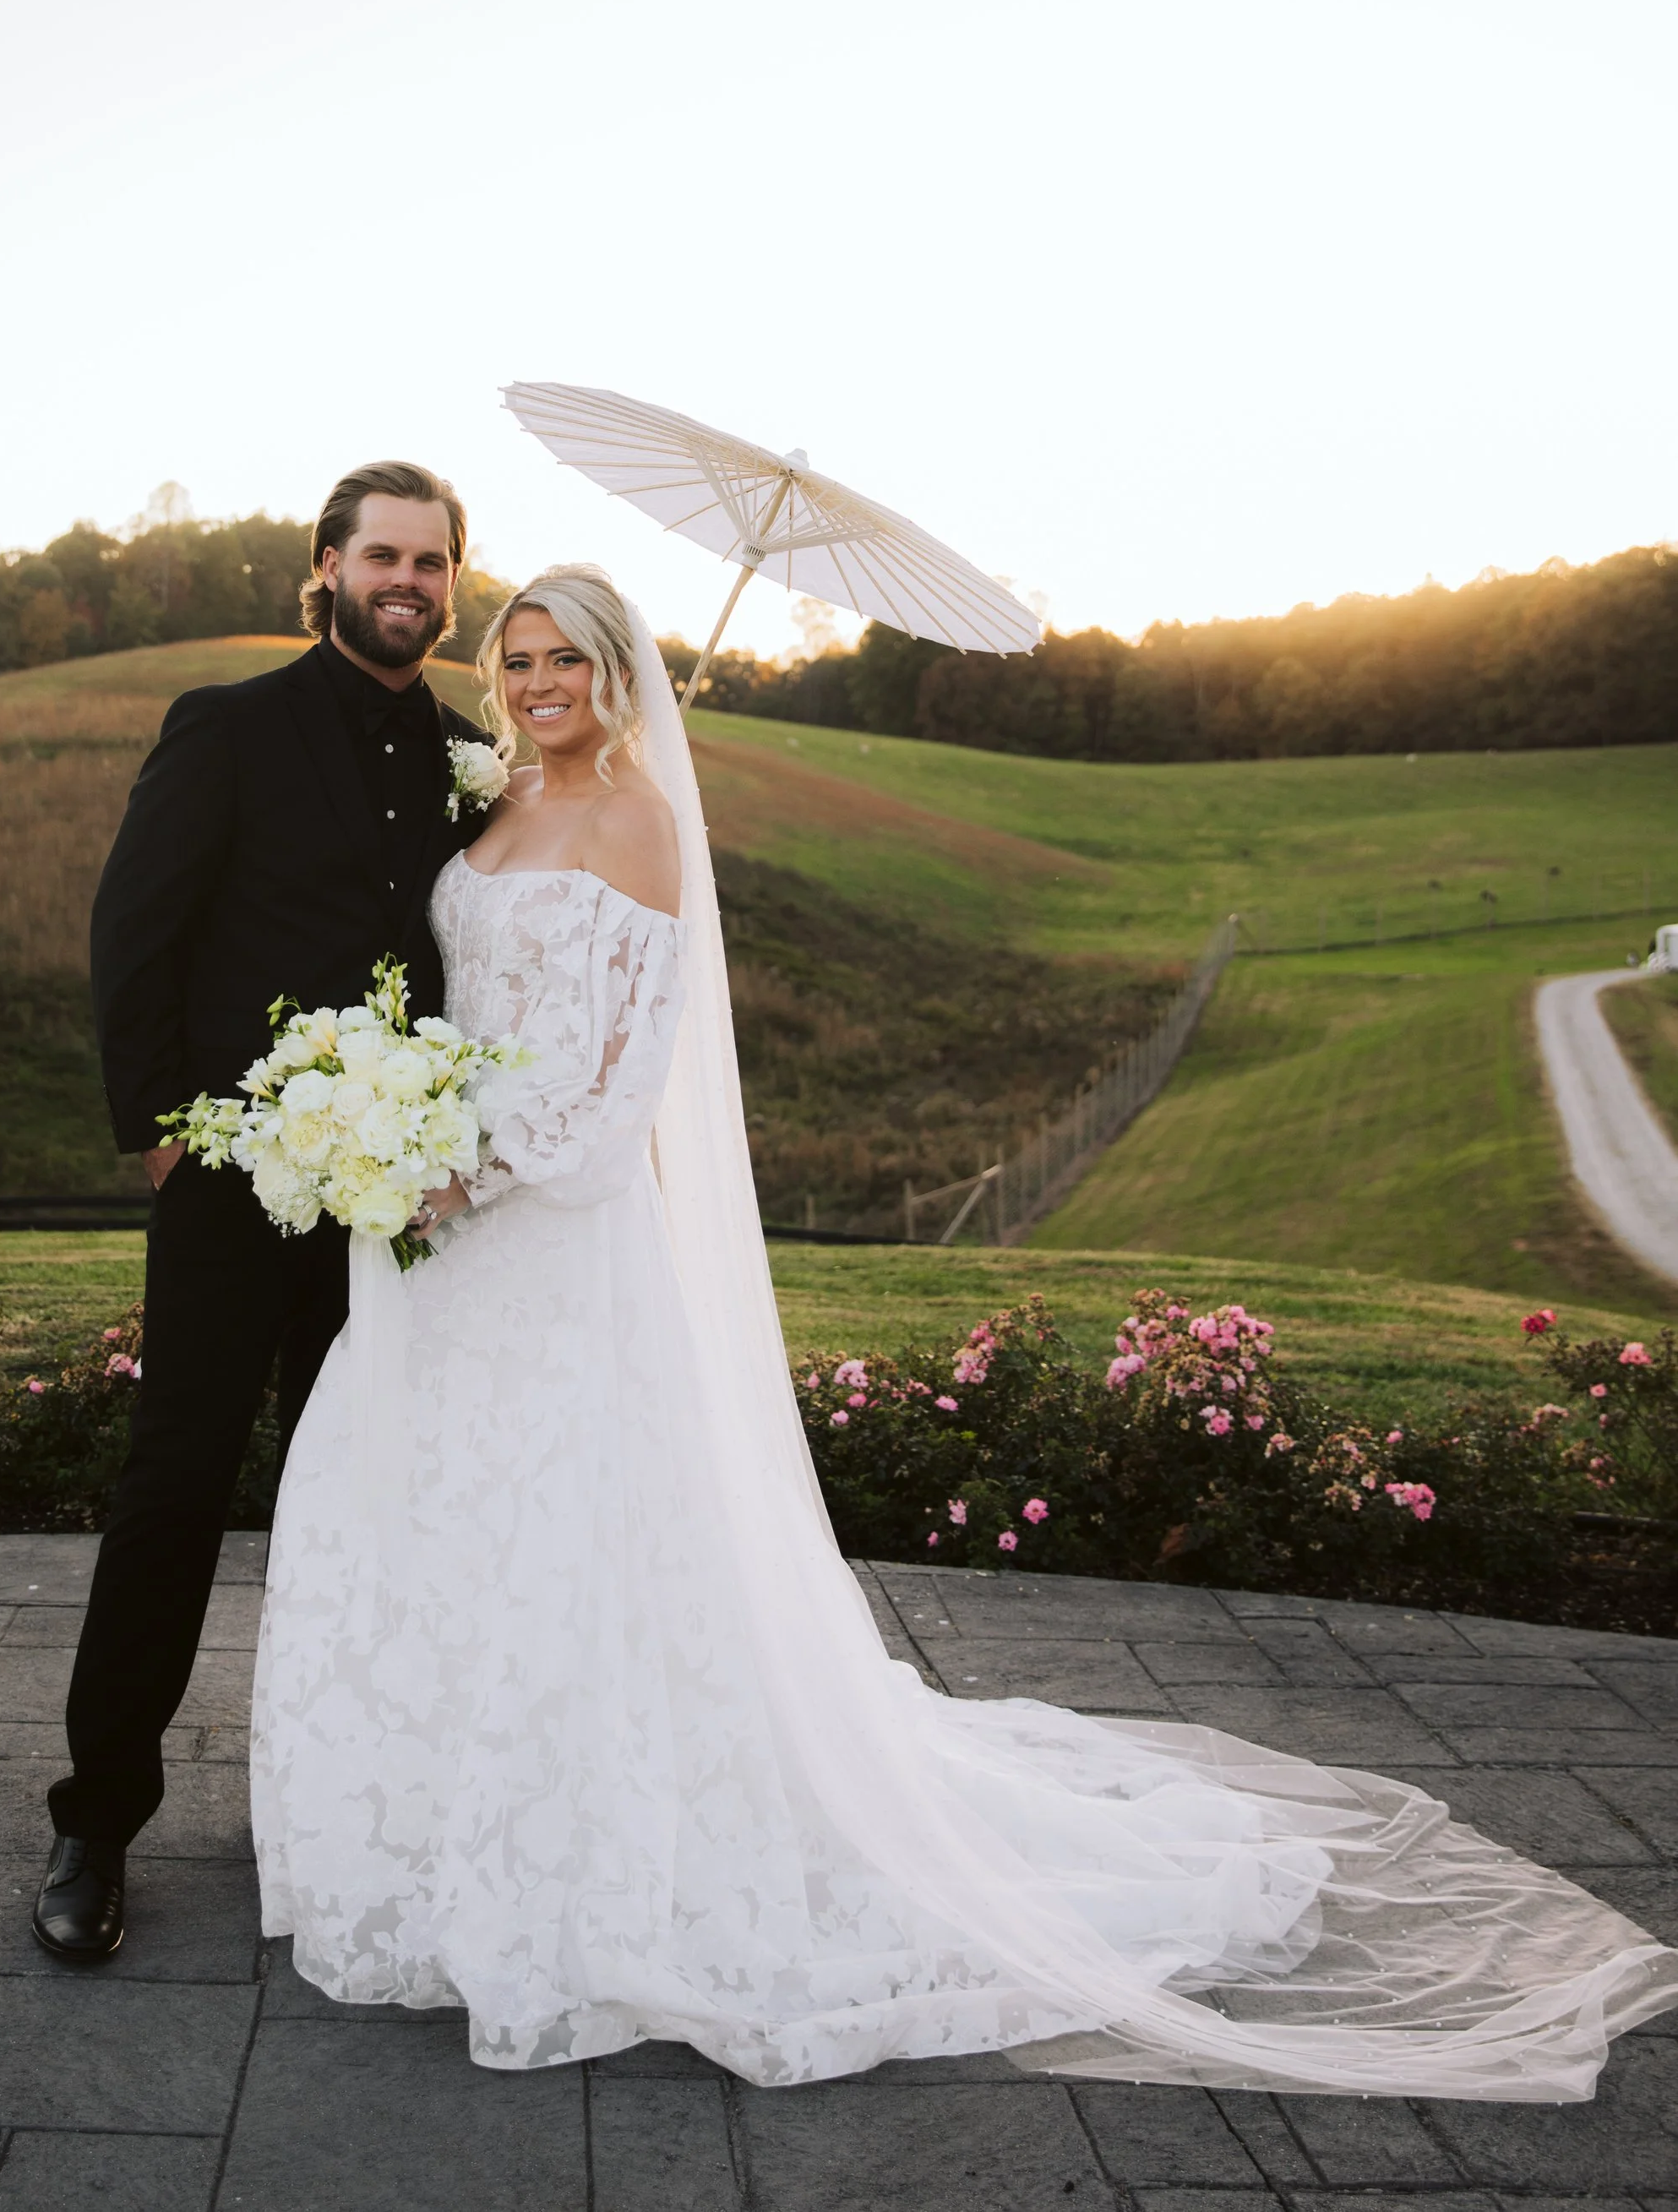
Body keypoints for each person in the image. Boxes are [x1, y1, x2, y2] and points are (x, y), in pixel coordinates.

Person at [249, 562, 1678, 2097]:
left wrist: (478, 1164)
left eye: (566, 660)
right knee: (436, 1518)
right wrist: (393, 1129)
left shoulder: (644, 825)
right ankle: (431, 1812)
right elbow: (469, 1011)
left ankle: (583, 1847)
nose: (536, 681)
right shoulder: (494, 800)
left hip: (554, 1237)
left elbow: (619, 1086)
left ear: (615, 671)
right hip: (443, 1236)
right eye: (518, 657)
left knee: (571, 1546)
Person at [33, 460, 493, 1962]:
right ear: (328, 565)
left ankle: (334, 1803)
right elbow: (133, 931)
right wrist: (163, 1140)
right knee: (174, 1491)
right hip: (231, 1186)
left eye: (431, 560)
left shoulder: (480, 758)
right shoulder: (226, 725)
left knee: (356, 1503)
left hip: (386, 1210)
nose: (407, 581)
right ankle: (96, 1822)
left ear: (452, 578)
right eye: (383, 556)